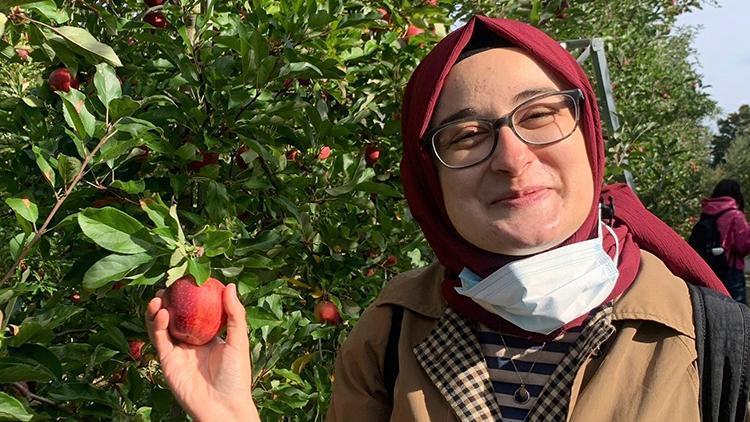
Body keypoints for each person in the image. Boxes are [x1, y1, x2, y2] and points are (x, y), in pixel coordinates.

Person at [146, 15, 744, 421]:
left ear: (586, 133)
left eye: (539, 115)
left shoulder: (719, 345)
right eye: (466, 135)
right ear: (429, 180)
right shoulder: (387, 335)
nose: (512, 158)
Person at [699, 179, 750, 303]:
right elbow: (742, 247)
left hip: (708, 267)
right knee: (737, 310)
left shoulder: (707, 211)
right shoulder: (736, 215)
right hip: (730, 270)